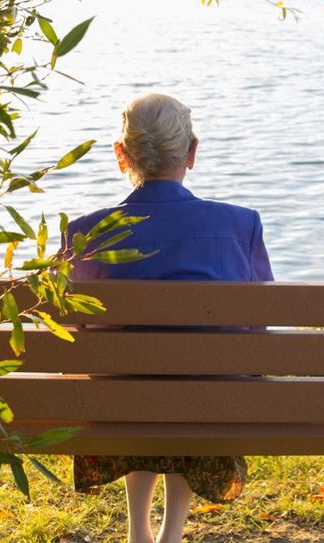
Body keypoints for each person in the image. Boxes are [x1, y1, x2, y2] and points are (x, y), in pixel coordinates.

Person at [64, 93, 273, 543]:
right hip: (211, 407)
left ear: (121, 155)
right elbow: (260, 331)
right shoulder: (240, 225)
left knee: (129, 377)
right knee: (197, 379)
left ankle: (138, 528)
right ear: (191, 152)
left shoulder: (85, 233)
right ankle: (171, 531)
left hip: (115, 408)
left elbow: (70, 334)